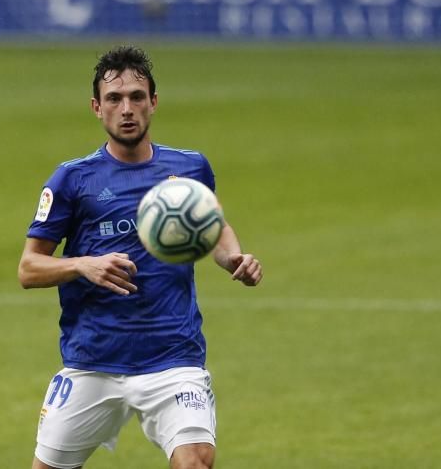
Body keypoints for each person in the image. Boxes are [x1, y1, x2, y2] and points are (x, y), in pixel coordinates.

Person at [18, 46, 262, 469]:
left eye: (136, 96)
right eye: (114, 99)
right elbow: (28, 268)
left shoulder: (190, 167)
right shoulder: (72, 179)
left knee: (196, 462)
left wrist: (234, 259)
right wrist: (82, 265)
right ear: (97, 107)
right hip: (93, 359)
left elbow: (214, 225)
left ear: (153, 102)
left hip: (172, 356)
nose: (126, 108)